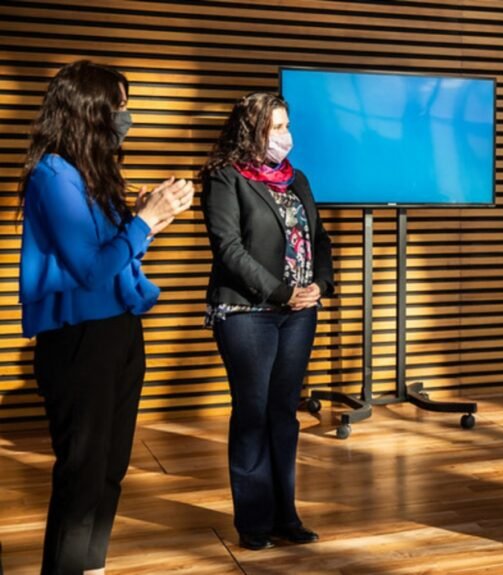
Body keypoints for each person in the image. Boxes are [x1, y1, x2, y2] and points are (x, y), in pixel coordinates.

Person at [18, 60, 194, 574]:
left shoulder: (95, 174)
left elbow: (115, 256)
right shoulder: (52, 173)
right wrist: (144, 220)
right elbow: (91, 268)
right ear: (88, 111)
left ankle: (91, 568)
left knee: (111, 470)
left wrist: (141, 220)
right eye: (117, 107)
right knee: (82, 473)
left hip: (118, 332)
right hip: (78, 342)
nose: (126, 117)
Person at [200, 92, 334, 551]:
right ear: (251, 131)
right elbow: (229, 248)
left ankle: (286, 516)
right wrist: (281, 292)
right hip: (246, 313)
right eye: (275, 128)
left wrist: (321, 283)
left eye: (286, 126)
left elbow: (319, 238)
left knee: (284, 415)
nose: (285, 136)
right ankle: (254, 522)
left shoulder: (297, 179)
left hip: (298, 314)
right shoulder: (224, 178)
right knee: (253, 413)